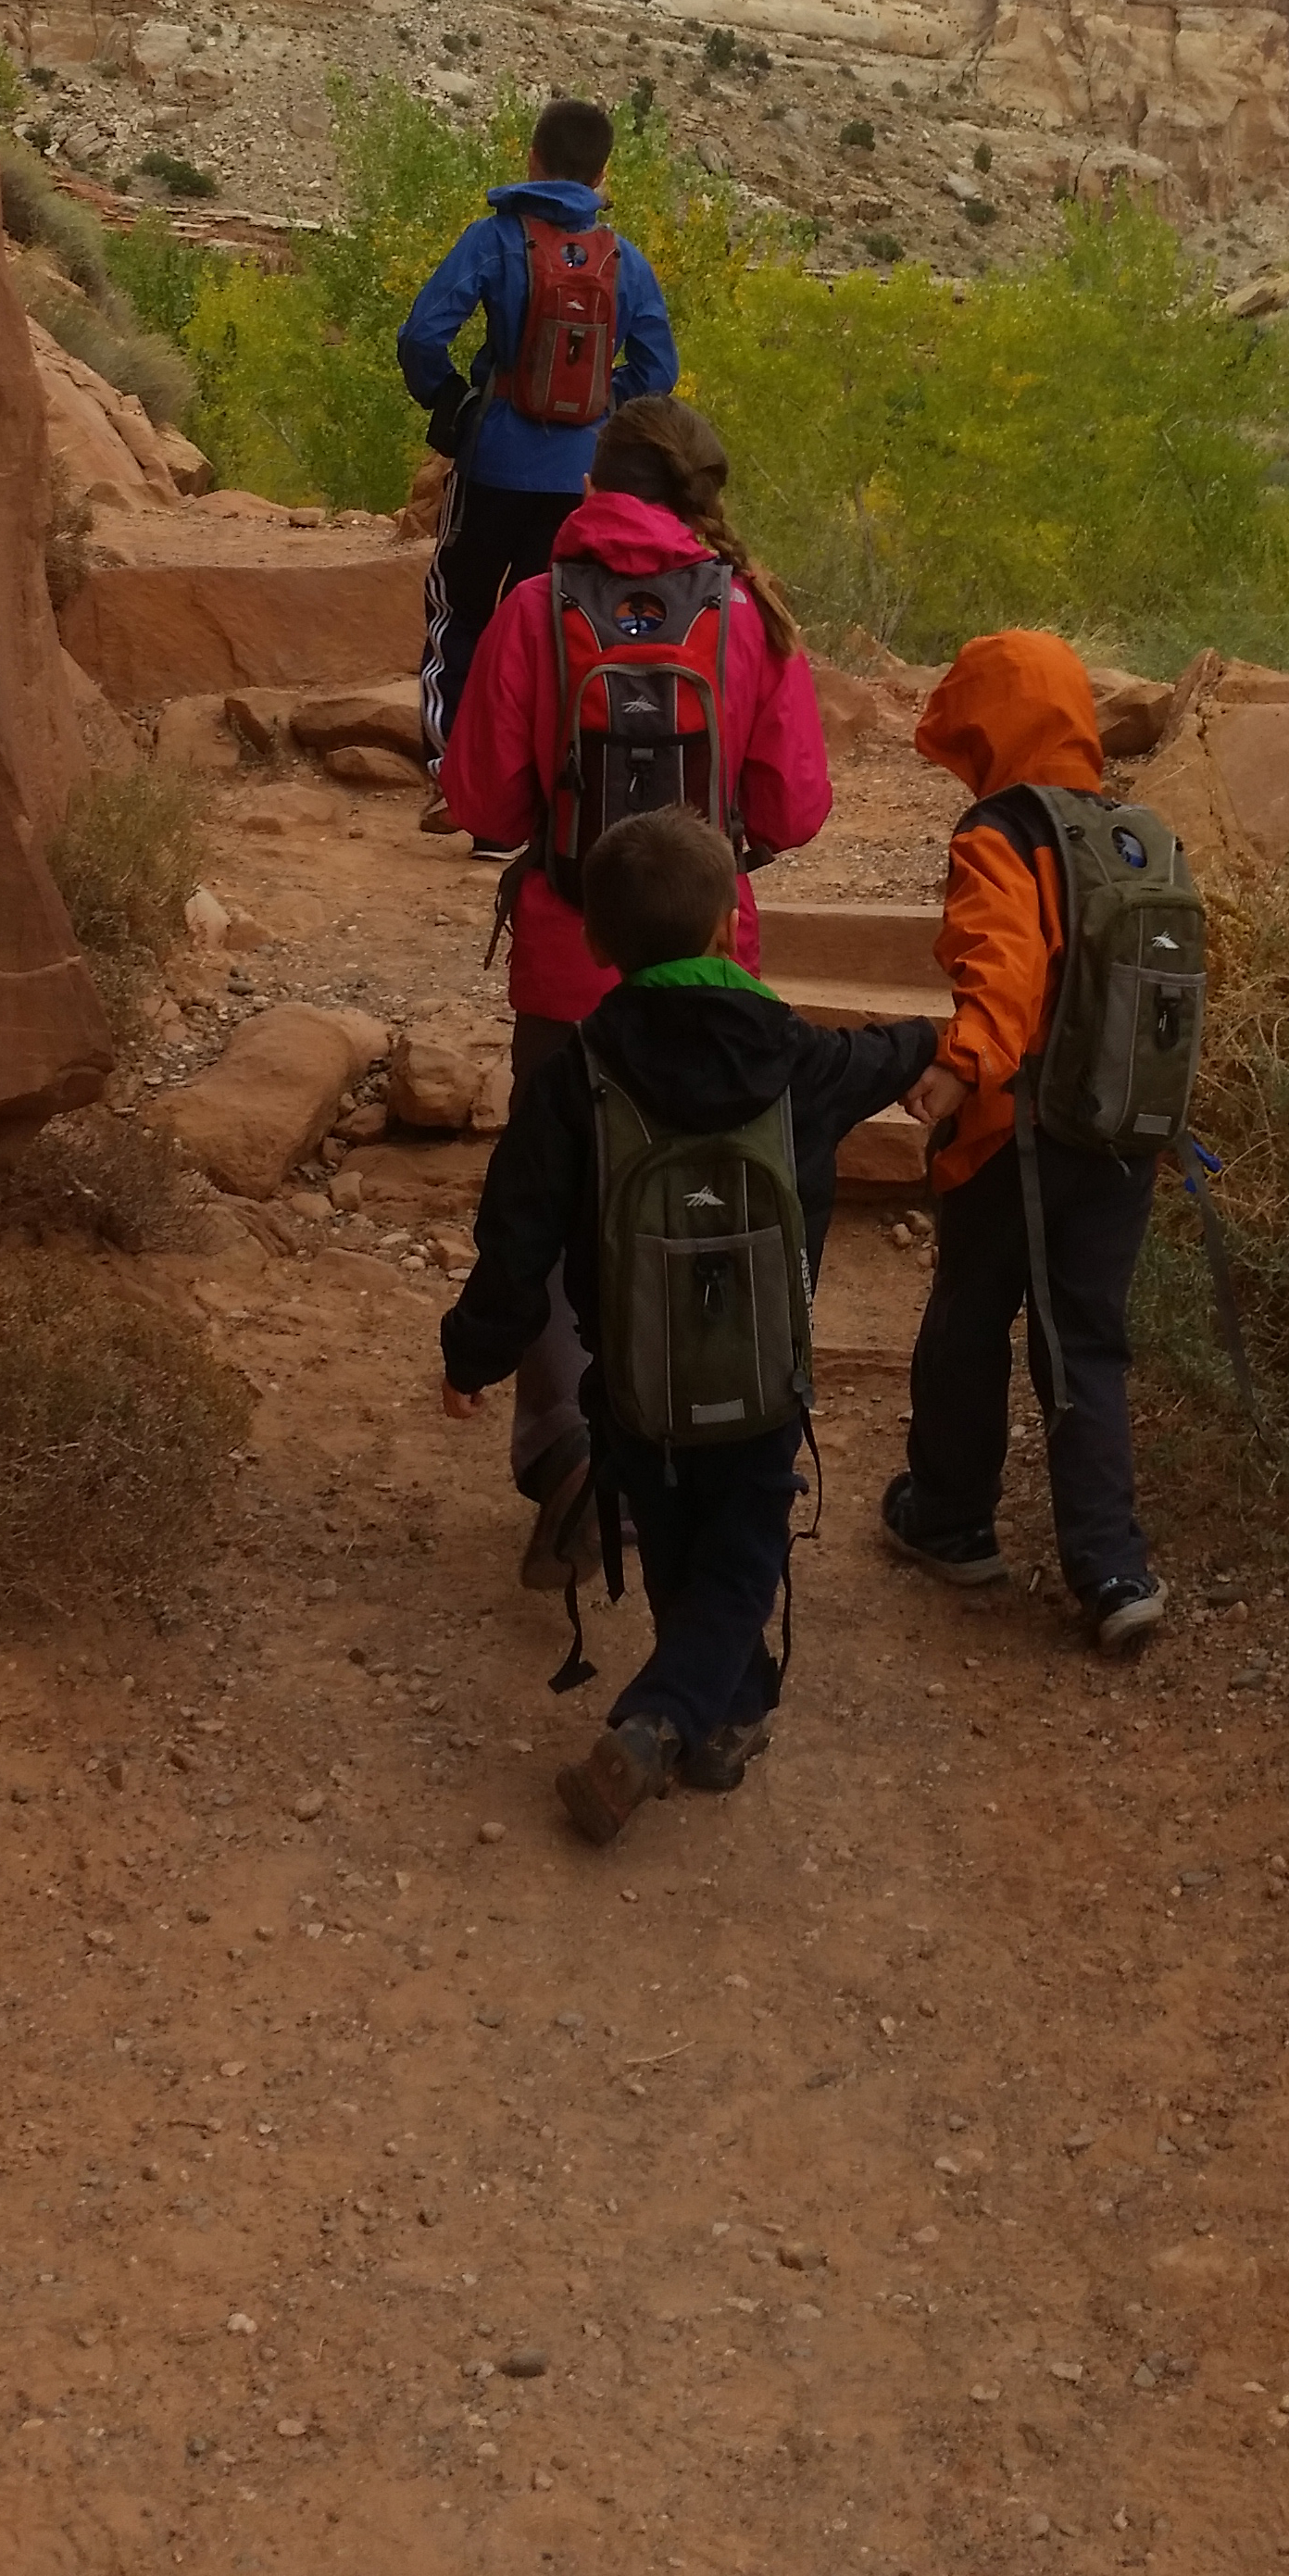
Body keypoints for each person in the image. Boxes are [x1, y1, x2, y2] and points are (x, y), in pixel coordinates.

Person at [440, 803, 936, 1840]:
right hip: (761, 1382)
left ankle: (722, 1716)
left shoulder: (577, 1073)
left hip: (633, 1384)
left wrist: (473, 1353)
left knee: (673, 1543)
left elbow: (517, 1235)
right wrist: (942, 1039)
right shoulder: (795, 1057)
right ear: (728, 927)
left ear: (596, 942)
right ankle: (664, 1722)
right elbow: (882, 1059)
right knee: (744, 1553)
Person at [440, 394, 832, 1594]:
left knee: (560, 1202)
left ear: (593, 486)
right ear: (701, 498)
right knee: (702, 1197)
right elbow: (795, 810)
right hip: (714, 969)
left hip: (571, 966)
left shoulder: (532, 609)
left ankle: (566, 1452)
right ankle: (703, 1413)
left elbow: (482, 804)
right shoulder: (750, 616)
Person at [883, 629, 1170, 1652]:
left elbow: (1004, 966)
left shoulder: (1002, 835)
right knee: (1085, 1341)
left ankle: (951, 1517)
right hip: (1124, 1134)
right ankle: (1112, 1565)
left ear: (992, 725)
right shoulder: (1134, 831)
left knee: (968, 1319)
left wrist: (961, 1068)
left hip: (1018, 1135)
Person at [397, 98, 678, 776]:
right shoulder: (624, 260)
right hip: (580, 481)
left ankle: (453, 775)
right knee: (555, 627)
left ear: (532, 158)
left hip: (492, 460)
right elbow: (658, 369)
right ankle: (542, 784)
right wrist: (602, 409)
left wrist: (455, 402)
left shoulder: (494, 239)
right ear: (603, 172)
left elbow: (421, 338)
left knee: (459, 612)